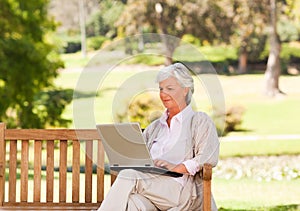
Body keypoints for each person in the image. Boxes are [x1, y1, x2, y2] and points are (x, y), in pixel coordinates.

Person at [97, 62, 219, 211]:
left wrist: (176, 167)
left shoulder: (199, 121)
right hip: (151, 190)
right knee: (132, 202)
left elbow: (207, 157)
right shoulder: (155, 127)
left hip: (178, 191)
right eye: (161, 89)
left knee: (129, 175)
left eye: (170, 88)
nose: (163, 94)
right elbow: (140, 159)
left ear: (185, 90)